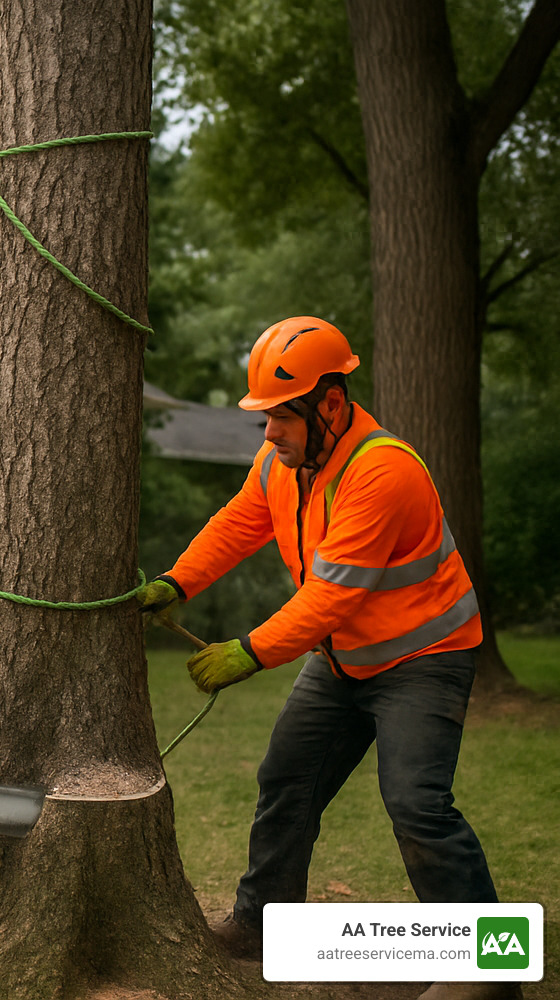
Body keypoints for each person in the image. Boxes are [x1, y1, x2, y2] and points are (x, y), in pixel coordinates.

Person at [138, 318, 510, 1000]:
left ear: (331, 405)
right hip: (344, 661)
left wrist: (246, 652)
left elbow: (333, 596)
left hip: (423, 658)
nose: (269, 433)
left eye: (281, 417)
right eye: (264, 420)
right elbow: (239, 523)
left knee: (416, 803)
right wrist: (178, 580)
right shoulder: (283, 462)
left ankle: (484, 969)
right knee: (286, 779)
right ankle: (260, 927)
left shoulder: (382, 470)